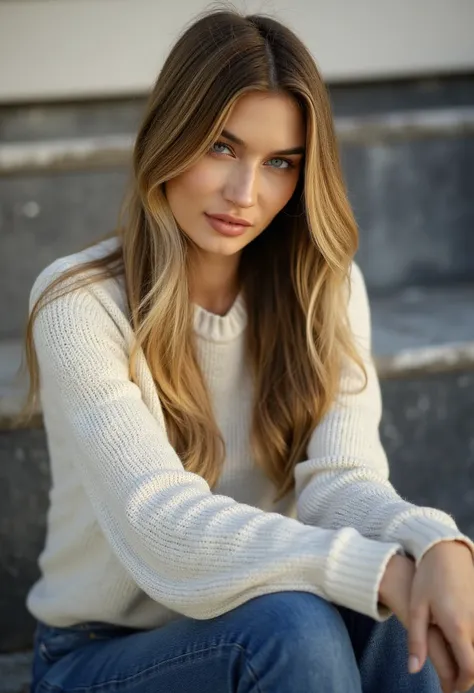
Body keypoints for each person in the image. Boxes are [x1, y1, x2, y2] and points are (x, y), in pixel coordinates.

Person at [21, 9, 474, 693]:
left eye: (280, 163)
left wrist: (432, 542)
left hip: (268, 620)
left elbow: (343, 478)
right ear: (171, 136)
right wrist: (377, 568)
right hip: (103, 653)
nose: (245, 194)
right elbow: (158, 524)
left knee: (387, 616)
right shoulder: (78, 303)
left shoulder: (325, 287)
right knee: (302, 621)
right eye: (222, 148)